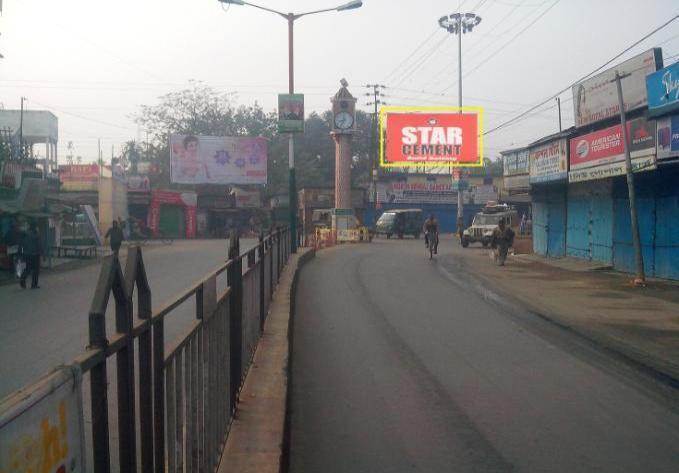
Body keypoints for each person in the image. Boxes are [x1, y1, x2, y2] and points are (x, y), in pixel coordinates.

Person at [19, 222, 42, 289]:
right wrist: (42, 253)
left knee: (27, 269)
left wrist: (21, 253)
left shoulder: (25, 234)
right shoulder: (36, 235)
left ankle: (22, 279)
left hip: (26, 254)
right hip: (35, 254)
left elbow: (21, 244)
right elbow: (39, 245)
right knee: (36, 270)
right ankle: (34, 285)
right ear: (35, 227)